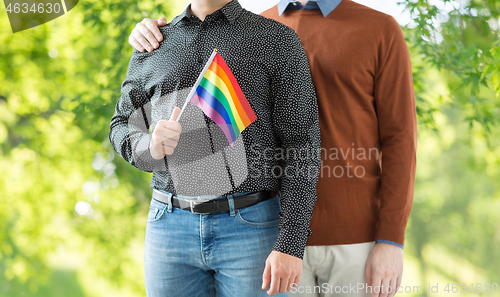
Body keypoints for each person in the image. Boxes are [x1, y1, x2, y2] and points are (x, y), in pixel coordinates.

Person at [128, 0, 418, 297]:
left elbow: (400, 139)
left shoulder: (379, 28)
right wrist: (148, 33)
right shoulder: (255, 25)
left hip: (351, 238)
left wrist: (391, 240)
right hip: (268, 234)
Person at [110, 0, 321, 296]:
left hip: (252, 227)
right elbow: (121, 122)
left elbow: (302, 145)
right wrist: (149, 147)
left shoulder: (276, 40)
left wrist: (291, 243)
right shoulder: (153, 41)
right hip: (168, 228)